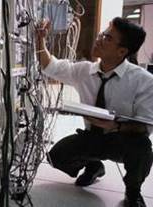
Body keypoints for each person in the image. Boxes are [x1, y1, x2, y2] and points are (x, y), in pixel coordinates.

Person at [36, 17, 153, 207]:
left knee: (142, 149)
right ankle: (94, 166)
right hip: (92, 137)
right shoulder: (85, 71)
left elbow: (144, 125)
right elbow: (50, 66)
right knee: (56, 157)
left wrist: (116, 125)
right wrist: (40, 39)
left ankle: (133, 192)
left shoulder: (144, 81)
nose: (99, 38)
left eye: (107, 38)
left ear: (122, 51)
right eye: (102, 34)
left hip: (122, 140)